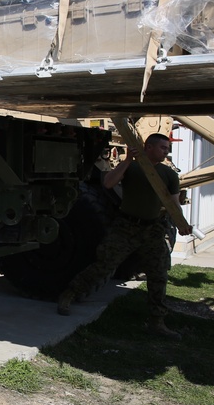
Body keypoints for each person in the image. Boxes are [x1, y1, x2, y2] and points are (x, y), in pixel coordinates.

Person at [56, 133, 191, 340]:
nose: (167, 152)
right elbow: (108, 183)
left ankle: (157, 321)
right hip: (126, 227)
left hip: (152, 229)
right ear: (149, 147)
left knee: (158, 273)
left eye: (167, 148)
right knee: (104, 266)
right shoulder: (133, 168)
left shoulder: (169, 175)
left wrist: (181, 224)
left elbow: (174, 204)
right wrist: (127, 160)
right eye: (163, 148)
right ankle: (69, 294)